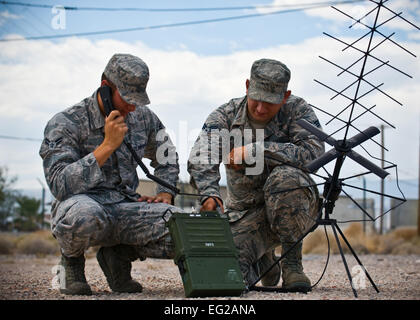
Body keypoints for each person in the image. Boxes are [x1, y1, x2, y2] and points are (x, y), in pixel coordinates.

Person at [40, 53, 182, 295]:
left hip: (125, 206)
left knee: (181, 226)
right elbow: (59, 184)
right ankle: (71, 261)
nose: (132, 106)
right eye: (126, 98)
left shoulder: (142, 117)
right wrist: (106, 146)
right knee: (84, 215)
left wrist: (165, 192)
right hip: (84, 205)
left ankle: (118, 254)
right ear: (106, 87)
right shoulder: (66, 122)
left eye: (137, 99)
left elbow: (166, 154)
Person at [187, 58, 325, 291]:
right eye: (256, 99)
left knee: (285, 178)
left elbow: (314, 153)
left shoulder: (297, 110)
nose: (261, 109)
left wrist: (255, 151)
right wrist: (210, 195)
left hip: (294, 205)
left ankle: (292, 264)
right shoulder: (225, 115)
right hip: (246, 213)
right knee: (226, 274)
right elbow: (202, 157)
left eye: (270, 103)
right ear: (247, 85)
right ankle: (265, 259)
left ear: (285, 95)